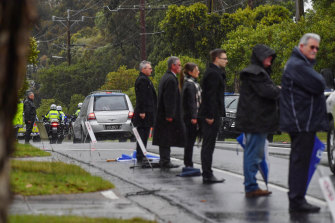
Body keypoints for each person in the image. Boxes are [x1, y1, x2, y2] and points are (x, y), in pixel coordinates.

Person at [280, 33, 328, 213]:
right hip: (301, 122)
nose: (315, 50)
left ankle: (298, 198)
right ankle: (296, 200)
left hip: (303, 121)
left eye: (317, 48)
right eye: (312, 47)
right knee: (300, 163)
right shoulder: (297, 65)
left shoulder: (300, 64)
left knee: (300, 162)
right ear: (302, 47)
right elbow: (319, 83)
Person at [236, 44, 280, 197]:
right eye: (268, 56)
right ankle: (250, 186)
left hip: (255, 120)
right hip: (256, 121)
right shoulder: (256, 73)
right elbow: (268, 92)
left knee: (254, 153)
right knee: (254, 154)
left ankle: (251, 185)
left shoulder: (255, 72)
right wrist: (280, 89)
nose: (270, 59)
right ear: (261, 57)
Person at [199, 49, 227, 184]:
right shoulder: (213, 74)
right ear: (216, 59)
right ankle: (207, 173)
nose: (226, 61)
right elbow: (210, 96)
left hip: (214, 113)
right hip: (211, 115)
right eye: (224, 58)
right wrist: (210, 115)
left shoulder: (216, 73)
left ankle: (207, 172)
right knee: (208, 145)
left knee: (209, 145)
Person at [153, 56, 185, 169]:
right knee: (166, 138)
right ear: (173, 66)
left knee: (165, 138)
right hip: (167, 115)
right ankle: (165, 161)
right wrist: (170, 114)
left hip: (163, 114)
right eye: (179, 65)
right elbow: (169, 98)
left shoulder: (166, 77)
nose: (180, 67)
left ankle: (164, 160)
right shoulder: (171, 79)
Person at [132, 60, 157, 163]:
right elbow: (141, 97)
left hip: (147, 111)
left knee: (145, 134)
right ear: (143, 69)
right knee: (143, 134)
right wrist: (142, 111)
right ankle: (140, 155)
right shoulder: (142, 80)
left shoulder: (146, 79)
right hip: (144, 113)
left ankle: (142, 154)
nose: (151, 70)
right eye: (149, 68)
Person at [180, 62, 201, 168]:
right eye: (196, 71)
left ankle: (188, 162)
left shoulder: (189, 83)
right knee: (190, 141)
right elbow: (192, 102)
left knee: (190, 141)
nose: (198, 72)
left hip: (188, 116)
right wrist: (194, 116)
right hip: (190, 117)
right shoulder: (190, 84)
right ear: (190, 72)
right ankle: (188, 163)